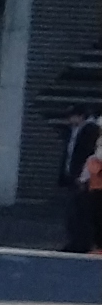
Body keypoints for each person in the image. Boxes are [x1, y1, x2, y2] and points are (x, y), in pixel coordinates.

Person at [61, 108, 101, 253]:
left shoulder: (91, 131)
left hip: (91, 183)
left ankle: (84, 243)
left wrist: (83, 177)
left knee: (84, 214)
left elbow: (92, 158)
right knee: (78, 213)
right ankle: (80, 242)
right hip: (86, 181)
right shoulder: (75, 131)